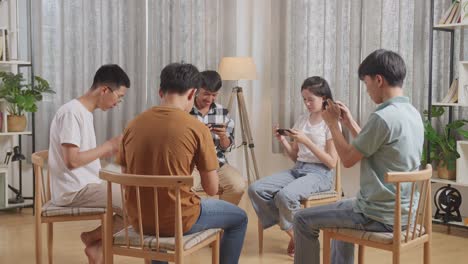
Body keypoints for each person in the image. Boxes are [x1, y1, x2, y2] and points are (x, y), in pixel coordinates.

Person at [293, 49, 424, 264]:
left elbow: (346, 159)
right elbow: (371, 145)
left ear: (378, 80)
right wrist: (349, 122)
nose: (367, 90)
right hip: (404, 211)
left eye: (366, 83)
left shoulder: (382, 117)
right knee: (343, 207)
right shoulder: (410, 112)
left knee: (301, 219)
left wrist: (332, 124)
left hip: (379, 215)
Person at [117, 63, 248, 264]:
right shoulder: (196, 128)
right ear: (192, 94)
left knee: (158, 211)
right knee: (240, 218)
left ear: (160, 91)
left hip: (139, 219)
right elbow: (212, 189)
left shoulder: (132, 125)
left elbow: (126, 182)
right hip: (180, 220)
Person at [48, 64, 130, 264]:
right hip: (74, 191)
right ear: (104, 90)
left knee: (137, 196)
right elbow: (72, 160)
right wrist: (109, 147)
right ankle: (93, 239)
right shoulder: (71, 113)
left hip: (87, 184)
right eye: (118, 97)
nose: (118, 103)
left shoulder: (83, 112)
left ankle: (97, 246)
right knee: (138, 204)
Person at [248, 76, 339, 257]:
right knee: (255, 188)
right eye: (304, 99)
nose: (307, 103)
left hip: (320, 174)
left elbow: (331, 162)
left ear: (324, 98)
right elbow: (294, 156)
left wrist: (307, 141)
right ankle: (295, 234)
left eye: (310, 99)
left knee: (286, 195)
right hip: (298, 169)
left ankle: (299, 234)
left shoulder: (331, 122)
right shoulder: (303, 120)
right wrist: (283, 140)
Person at [190, 70, 245, 205]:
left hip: (216, 162)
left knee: (238, 186)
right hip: (192, 164)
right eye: (206, 94)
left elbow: (226, 146)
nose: (210, 99)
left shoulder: (222, 112)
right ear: (196, 90)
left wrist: (223, 136)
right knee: (185, 189)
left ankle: (225, 221)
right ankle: (192, 222)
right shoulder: (186, 110)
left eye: (214, 95)